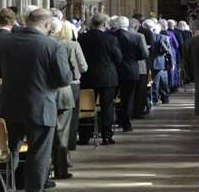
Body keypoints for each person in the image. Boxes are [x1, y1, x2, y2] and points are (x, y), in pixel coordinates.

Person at [0, 8, 73, 192]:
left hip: (10, 105)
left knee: (9, 150)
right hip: (41, 106)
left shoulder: (5, 43)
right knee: (39, 151)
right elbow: (64, 79)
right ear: (46, 25)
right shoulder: (52, 46)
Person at [77, 14, 123, 145]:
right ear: (104, 24)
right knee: (107, 107)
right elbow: (118, 58)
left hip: (87, 76)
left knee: (86, 106)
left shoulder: (82, 38)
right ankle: (106, 136)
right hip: (107, 77)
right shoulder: (110, 39)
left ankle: (84, 136)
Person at [52, 18, 88, 178]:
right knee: (64, 130)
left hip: (42, 93)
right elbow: (82, 67)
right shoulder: (67, 45)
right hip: (66, 88)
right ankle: (62, 163)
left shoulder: (41, 44)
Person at [112, 15, 147, 132]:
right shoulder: (135, 37)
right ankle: (126, 124)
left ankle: (112, 121)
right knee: (127, 99)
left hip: (114, 71)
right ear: (127, 25)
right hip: (130, 71)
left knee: (110, 99)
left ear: (116, 25)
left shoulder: (109, 36)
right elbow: (143, 55)